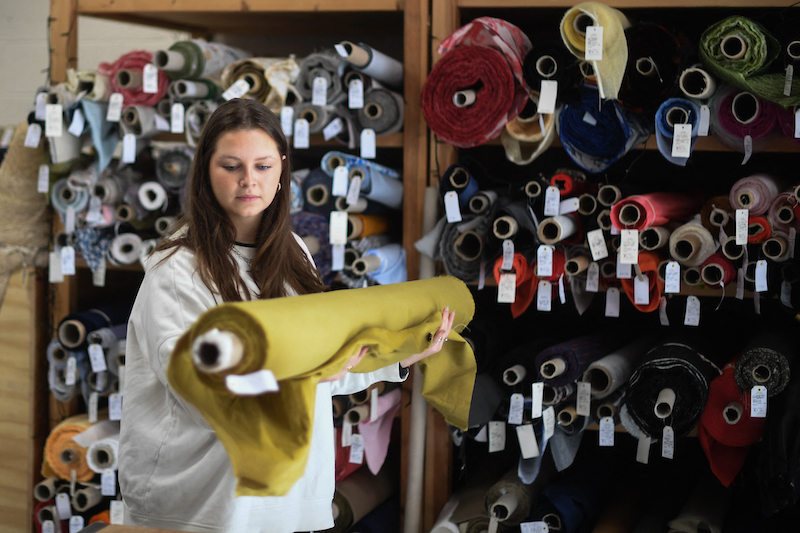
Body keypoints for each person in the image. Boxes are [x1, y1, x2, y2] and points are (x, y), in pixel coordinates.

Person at [117, 97, 455, 532]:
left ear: (281, 170)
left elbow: (327, 366)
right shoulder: (179, 270)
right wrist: (302, 377)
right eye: (231, 166)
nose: (247, 181)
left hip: (286, 498)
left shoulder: (291, 253)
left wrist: (399, 354)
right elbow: (201, 393)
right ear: (205, 170)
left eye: (262, 166)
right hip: (202, 501)